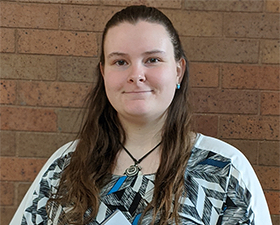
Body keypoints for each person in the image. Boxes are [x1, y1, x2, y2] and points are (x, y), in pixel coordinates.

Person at [10, 5, 272, 225]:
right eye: (120, 62)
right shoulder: (64, 166)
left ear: (178, 71)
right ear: (103, 73)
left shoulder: (224, 170)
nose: (136, 74)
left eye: (153, 60)